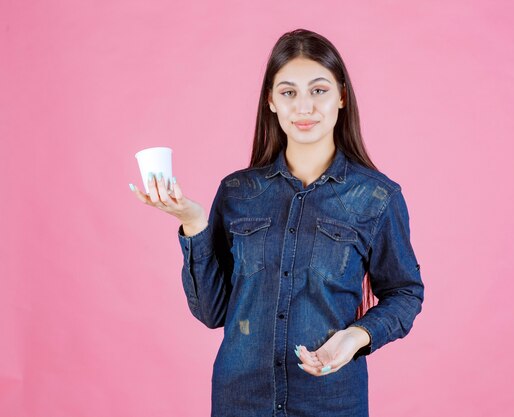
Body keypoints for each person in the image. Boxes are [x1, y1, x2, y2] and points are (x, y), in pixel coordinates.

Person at [129, 28, 424, 417]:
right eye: (288, 92)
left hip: (331, 401)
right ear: (271, 101)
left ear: (341, 98)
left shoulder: (376, 197)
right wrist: (193, 222)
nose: (304, 107)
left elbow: (405, 292)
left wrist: (356, 336)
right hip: (240, 401)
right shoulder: (237, 192)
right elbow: (212, 313)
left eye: (318, 90)